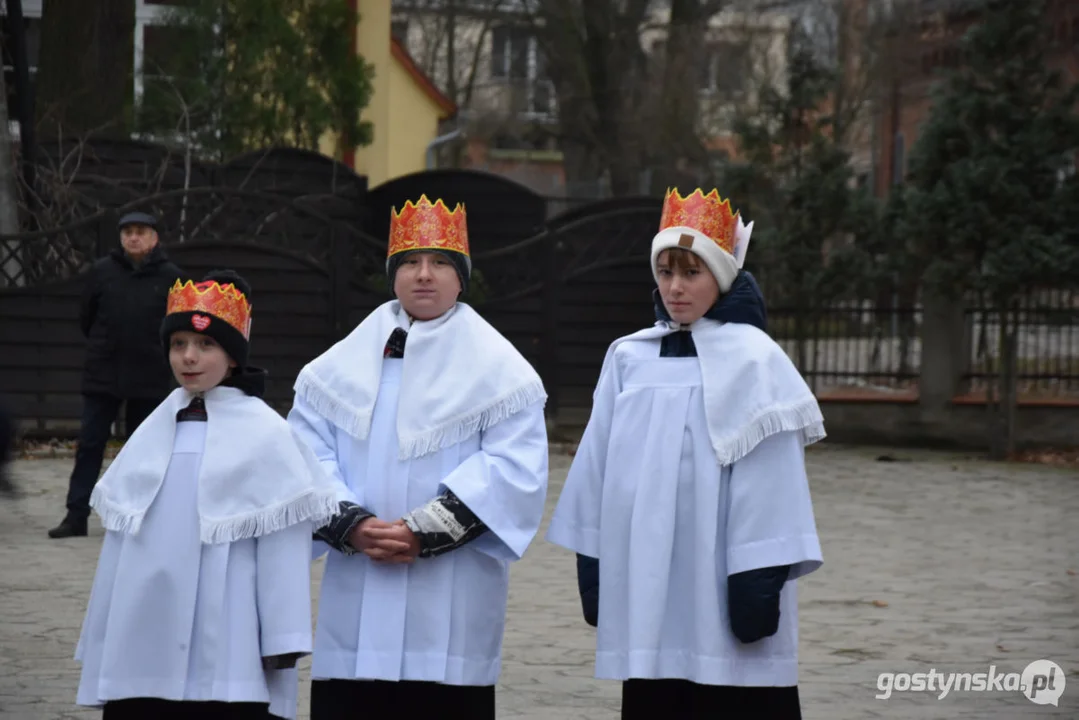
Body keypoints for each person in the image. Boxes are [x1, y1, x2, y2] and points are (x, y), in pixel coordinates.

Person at [546, 188, 825, 720]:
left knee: (732, 690)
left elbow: (773, 482)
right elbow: (595, 467)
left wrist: (757, 580)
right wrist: (595, 561)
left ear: (721, 277)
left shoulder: (756, 362)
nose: (675, 288)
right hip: (648, 577)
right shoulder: (629, 356)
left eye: (692, 273)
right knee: (660, 687)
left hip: (724, 576)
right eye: (666, 271)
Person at [288, 195, 549, 720]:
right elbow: (304, 454)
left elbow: (513, 470)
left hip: (449, 594)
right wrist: (352, 525)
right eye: (409, 262)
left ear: (461, 278)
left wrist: (421, 531)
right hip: (358, 582)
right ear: (392, 275)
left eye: (440, 263)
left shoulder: (503, 371)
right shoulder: (335, 368)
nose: (423, 275)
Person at [74, 270, 339, 720]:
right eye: (178, 345)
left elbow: (282, 546)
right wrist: (103, 634)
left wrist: (282, 637)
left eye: (205, 345)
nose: (189, 358)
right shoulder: (154, 428)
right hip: (146, 630)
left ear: (233, 357)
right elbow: (120, 544)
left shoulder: (267, 434)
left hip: (228, 639)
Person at [49, 211, 184, 538]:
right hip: (104, 370)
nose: (133, 238)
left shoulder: (171, 277)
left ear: (154, 238)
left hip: (149, 373)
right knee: (91, 443)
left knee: (143, 448)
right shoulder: (102, 272)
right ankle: (76, 514)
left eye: (140, 232)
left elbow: (178, 323)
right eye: (127, 233)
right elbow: (87, 317)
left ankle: (137, 514)